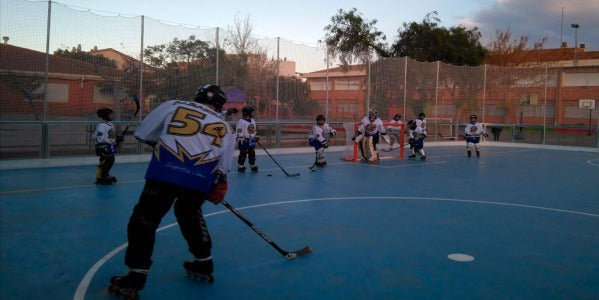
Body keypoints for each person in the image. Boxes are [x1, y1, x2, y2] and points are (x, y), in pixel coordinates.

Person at [108, 84, 235, 299]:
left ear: (197, 96)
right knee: (190, 213)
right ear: (219, 104)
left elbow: (143, 132)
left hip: (166, 171)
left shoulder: (173, 104)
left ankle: (136, 276)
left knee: (145, 219)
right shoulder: (224, 125)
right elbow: (224, 166)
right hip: (201, 176)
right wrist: (219, 183)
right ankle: (204, 262)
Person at [94, 107, 123, 185]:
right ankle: (100, 177)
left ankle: (105, 174)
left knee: (111, 160)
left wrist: (117, 139)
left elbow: (110, 136)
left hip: (109, 145)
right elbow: (99, 137)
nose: (112, 116)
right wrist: (104, 146)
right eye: (110, 115)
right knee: (105, 161)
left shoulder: (110, 124)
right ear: (105, 115)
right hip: (103, 146)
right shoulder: (102, 125)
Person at [236, 106, 259, 172]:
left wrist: (256, 136)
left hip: (251, 140)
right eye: (251, 112)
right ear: (247, 113)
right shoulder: (241, 121)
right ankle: (240, 166)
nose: (252, 113)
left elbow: (253, 129)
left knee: (252, 153)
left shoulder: (252, 120)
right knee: (243, 153)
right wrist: (241, 138)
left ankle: (252, 165)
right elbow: (239, 131)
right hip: (244, 140)